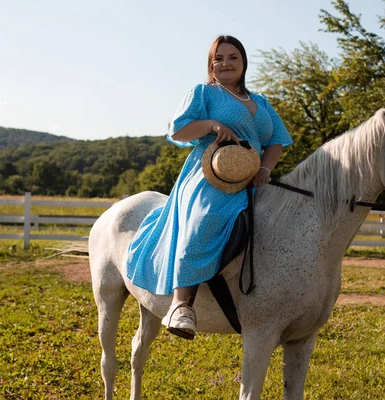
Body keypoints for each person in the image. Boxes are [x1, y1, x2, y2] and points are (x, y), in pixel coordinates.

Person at [126, 35, 293, 339]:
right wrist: (212, 125)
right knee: (206, 218)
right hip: (210, 174)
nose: (225, 63)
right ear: (210, 64)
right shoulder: (204, 93)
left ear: (243, 63)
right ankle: (181, 305)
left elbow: (276, 142)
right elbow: (177, 129)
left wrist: (265, 170)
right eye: (219, 58)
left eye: (233, 57)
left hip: (253, 176)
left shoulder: (261, 101)